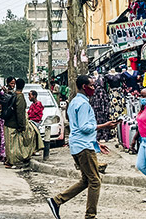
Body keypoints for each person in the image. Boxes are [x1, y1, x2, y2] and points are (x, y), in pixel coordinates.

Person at [46, 74, 117, 219]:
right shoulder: (83, 104)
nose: (94, 88)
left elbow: (77, 127)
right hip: (83, 147)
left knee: (87, 180)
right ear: (84, 87)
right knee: (95, 181)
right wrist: (105, 126)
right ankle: (90, 216)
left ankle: (57, 201)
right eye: (91, 85)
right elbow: (85, 127)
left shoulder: (74, 102)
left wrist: (96, 143)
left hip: (79, 145)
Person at [6, 79, 42, 168]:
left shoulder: (12, 94)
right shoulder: (20, 96)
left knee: (10, 145)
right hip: (15, 124)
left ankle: (9, 161)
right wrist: (22, 126)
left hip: (8, 122)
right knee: (15, 146)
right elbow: (20, 113)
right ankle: (14, 162)